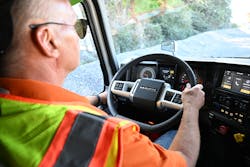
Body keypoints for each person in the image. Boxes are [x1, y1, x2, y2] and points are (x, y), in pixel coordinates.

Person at [0, 0, 205, 167]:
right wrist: (190, 108)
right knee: (171, 134)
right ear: (48, 40)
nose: (80, 37)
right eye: (77, 27)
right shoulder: (103, 135)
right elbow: (184, 161)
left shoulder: (12, 102)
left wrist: (100, 98)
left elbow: (51, 106)